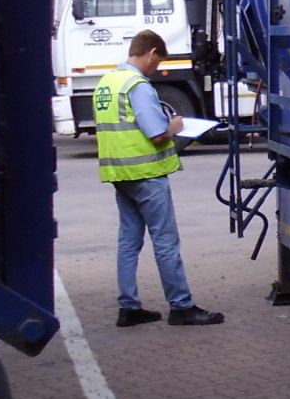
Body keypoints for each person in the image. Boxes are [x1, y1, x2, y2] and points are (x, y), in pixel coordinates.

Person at [93, 29, 224, 328]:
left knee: (128, 240)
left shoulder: (108, 82)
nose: (156, 69)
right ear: (152, 52)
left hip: (120, 173)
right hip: (146, 174)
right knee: (165, 240)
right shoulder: (137, 85)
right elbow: (157, 134)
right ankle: (181, 306)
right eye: (157, 62)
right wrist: (175, 125)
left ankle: (129, 307)